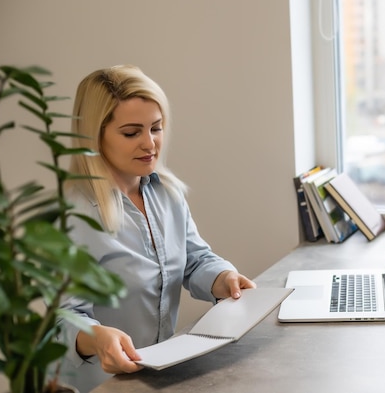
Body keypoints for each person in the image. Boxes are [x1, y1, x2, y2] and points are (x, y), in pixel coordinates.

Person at [57, 65, 256, 392]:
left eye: (157, 128)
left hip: (157, 378)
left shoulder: (166, 192)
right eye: (131, 132)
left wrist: (224, 277)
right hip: (99, 385)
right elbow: (62, 320)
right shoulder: (73, 216)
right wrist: (95, 337)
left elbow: (194, 260)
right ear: (95, 137)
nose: (150, 144)